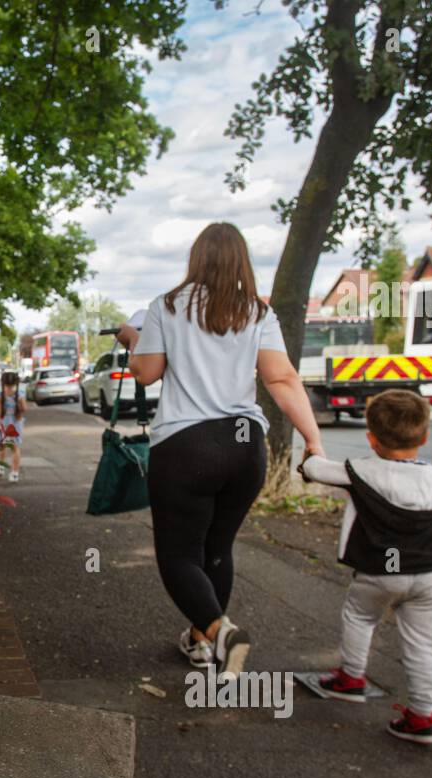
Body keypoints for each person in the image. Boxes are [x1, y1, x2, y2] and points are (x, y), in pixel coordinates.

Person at [116, 222, 325, 677]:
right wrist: (313, 439)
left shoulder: (166, 306)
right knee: (217, 549)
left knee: (179, 555)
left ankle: (219, 631)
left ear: (196, 258)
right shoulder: (257, 313)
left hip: (186, 445)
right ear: (241, 262)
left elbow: (147, 373)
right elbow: (282, 378)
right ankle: (201, 643)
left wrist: (133, 340)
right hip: (245, 443)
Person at [299, 389, 432, 745]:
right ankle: (422, 716)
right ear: (423, 437)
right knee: (425, 646)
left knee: (360, 617)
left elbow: (314, 470)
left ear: (371, 438)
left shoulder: (360, 470)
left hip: (378, 573)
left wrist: (311, 451)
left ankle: (351, 678)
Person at [0, 370, 25, 483]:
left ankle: (15, 472)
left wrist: (18, 404)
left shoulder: (20, 395)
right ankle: (0, 467)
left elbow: (24, 409)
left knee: (14, 447)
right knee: (1, 446)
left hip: (15, 424)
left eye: (11, 387)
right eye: (7, 387)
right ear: (3, 385)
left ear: (16, 385)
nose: (9, 389)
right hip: (3, 423)